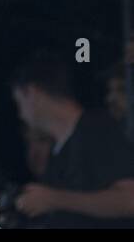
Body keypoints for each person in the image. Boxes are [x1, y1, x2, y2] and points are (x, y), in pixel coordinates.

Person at [11, 52, 134, 227]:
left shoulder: (97, 130)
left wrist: (54, 199)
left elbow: (130, 200)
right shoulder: (58, 152)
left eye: (19, 102)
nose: (21, 114)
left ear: (31, 92)